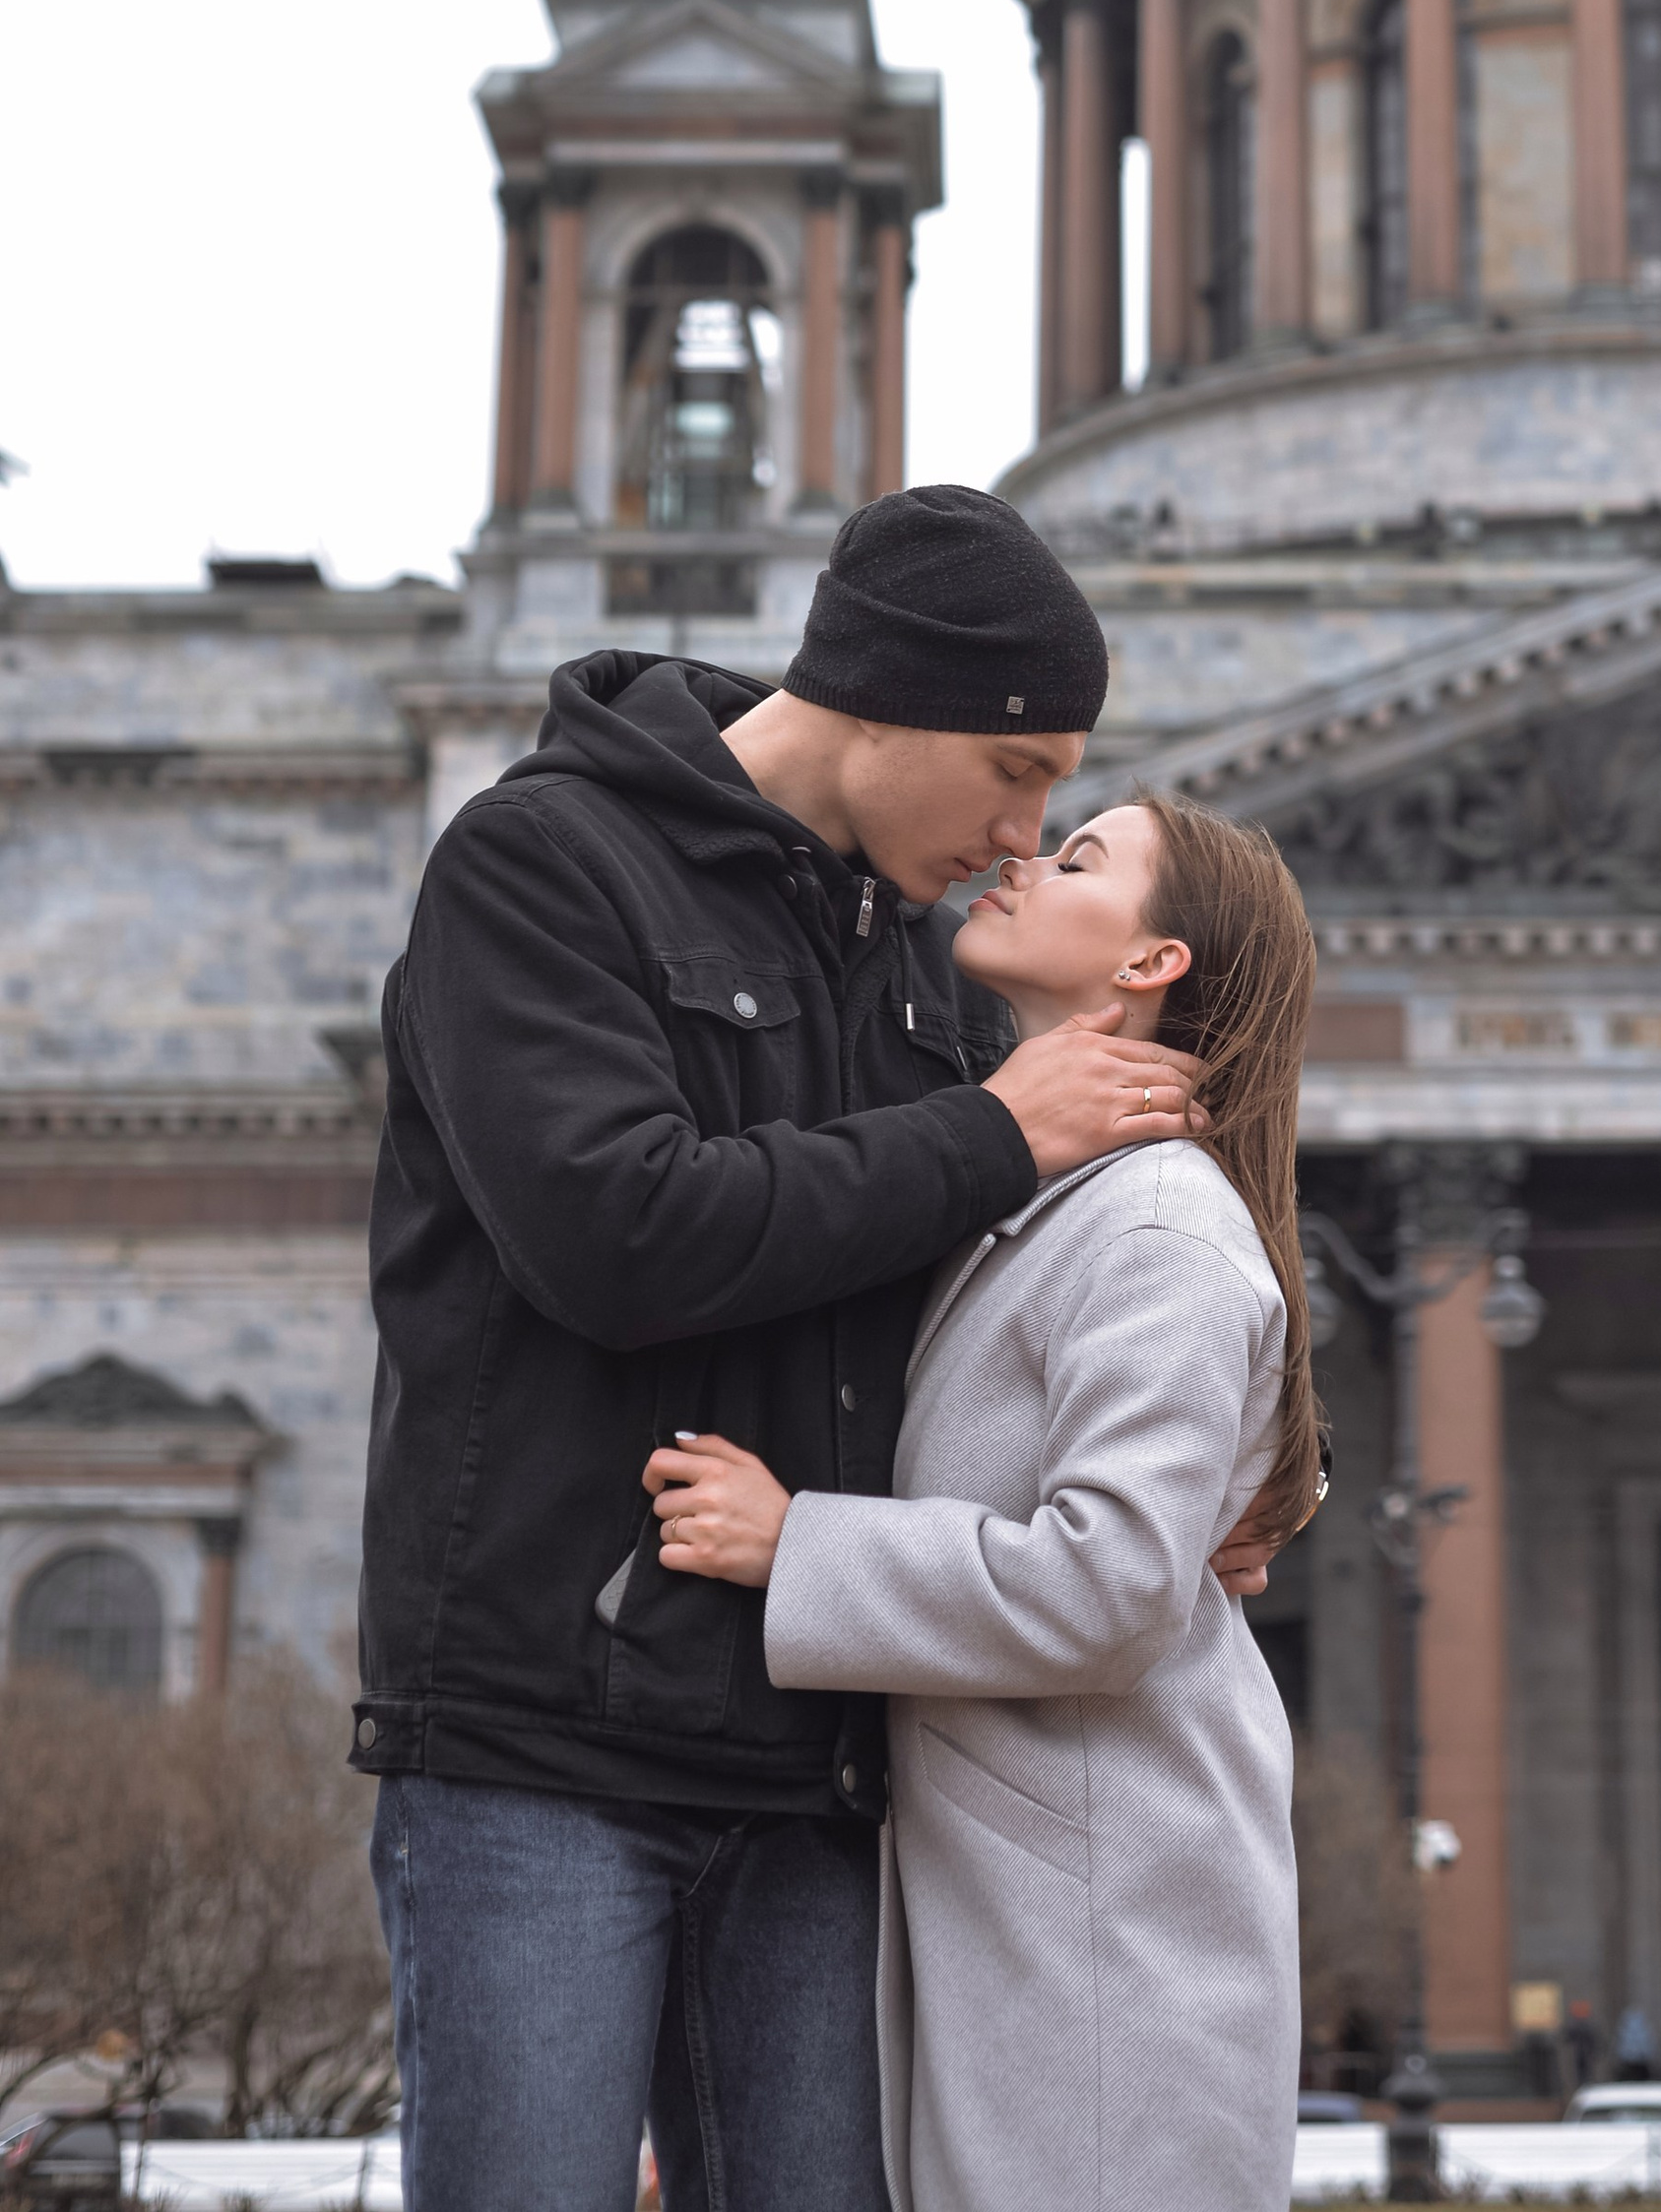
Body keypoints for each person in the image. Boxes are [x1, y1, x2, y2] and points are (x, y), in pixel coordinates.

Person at [355, 485, 1246, 2212]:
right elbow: (615, 1237)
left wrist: (1236, 1460)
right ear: (897, 702)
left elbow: (1022, 1299)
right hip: (550, 1749)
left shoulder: (921, 957)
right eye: (1019, 770)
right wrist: (991, 1130)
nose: (1026, 832)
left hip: (818, 1763)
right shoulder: (537, 866)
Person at [647, 792, 1319, 2212]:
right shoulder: (1058, 1198)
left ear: (1153, 964)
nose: (1022, 854)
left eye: (1079, 858)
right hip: (1043, 1931)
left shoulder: (1152, 1224)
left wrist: (795, 1548)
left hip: (1106, 1955)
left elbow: (1110, 1590)